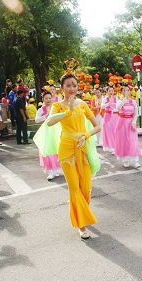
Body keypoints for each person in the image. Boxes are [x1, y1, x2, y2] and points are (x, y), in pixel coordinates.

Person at [44, 63, 101, 239]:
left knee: (86, 186)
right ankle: (81, 224)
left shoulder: (83, 104)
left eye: (74, 85)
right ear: (61, 88)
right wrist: (66, 112)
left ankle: (82, 213)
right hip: (67, 149)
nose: (71, 88)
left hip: (82, 147)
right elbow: (50, 122)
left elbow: (97, 126)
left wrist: (86, 135)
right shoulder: (58, 106)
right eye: (68, 85)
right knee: (74, 187)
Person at [35, 92, 61, 181]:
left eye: (50, 98)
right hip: (46, 131)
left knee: (57, 149)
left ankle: (56, 169)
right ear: (43, 99)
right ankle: (51, 171)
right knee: (47, 150)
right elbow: (36, 120)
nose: (48, 100)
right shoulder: (41, 109)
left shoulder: (55, 107)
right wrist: (45, 116)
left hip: (56, 130)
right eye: (46, 98)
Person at [114, 86, 141, 168]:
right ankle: (126, 160)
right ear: (122, 92)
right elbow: (117, 108)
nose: (127, 92)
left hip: (131, 123)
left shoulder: (133, 102)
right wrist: (123, 101)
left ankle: (136, 161)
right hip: (122, 123)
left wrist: (134, 121)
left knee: (133, 141)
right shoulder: (120, 101)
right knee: (124, 141)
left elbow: (136, 113)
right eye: (125, 90)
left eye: (128, 90)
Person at [101, 86, 118, 153]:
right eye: (109, 91)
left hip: (115, 116)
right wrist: (109, 103)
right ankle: (110, 146)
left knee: (115, 131)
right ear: (107, 92)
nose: (111, 92)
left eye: (112, 91)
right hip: (107, 116)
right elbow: (102, 106)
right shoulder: (105, 98)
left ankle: (115, 146)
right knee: (108, 132)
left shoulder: (116, 98)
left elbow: (119, 106)